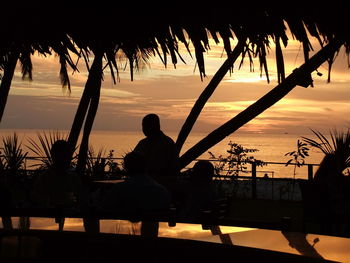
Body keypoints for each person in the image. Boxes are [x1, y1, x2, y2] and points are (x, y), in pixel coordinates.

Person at [30, 140, 81, 230]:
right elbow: (38, 201)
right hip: (47, 224)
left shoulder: (73, 178)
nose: (68, 159)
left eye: (68, 155)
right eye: (65, 155)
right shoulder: (45, 178)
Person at [134, 113, 179, 192]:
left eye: (146, 126)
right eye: (143, 126)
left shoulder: (167, 143)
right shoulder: (142, 143)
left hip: (162, 185)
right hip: (143, 185)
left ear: (156, 126)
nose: (143, 129)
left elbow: (173, 167)